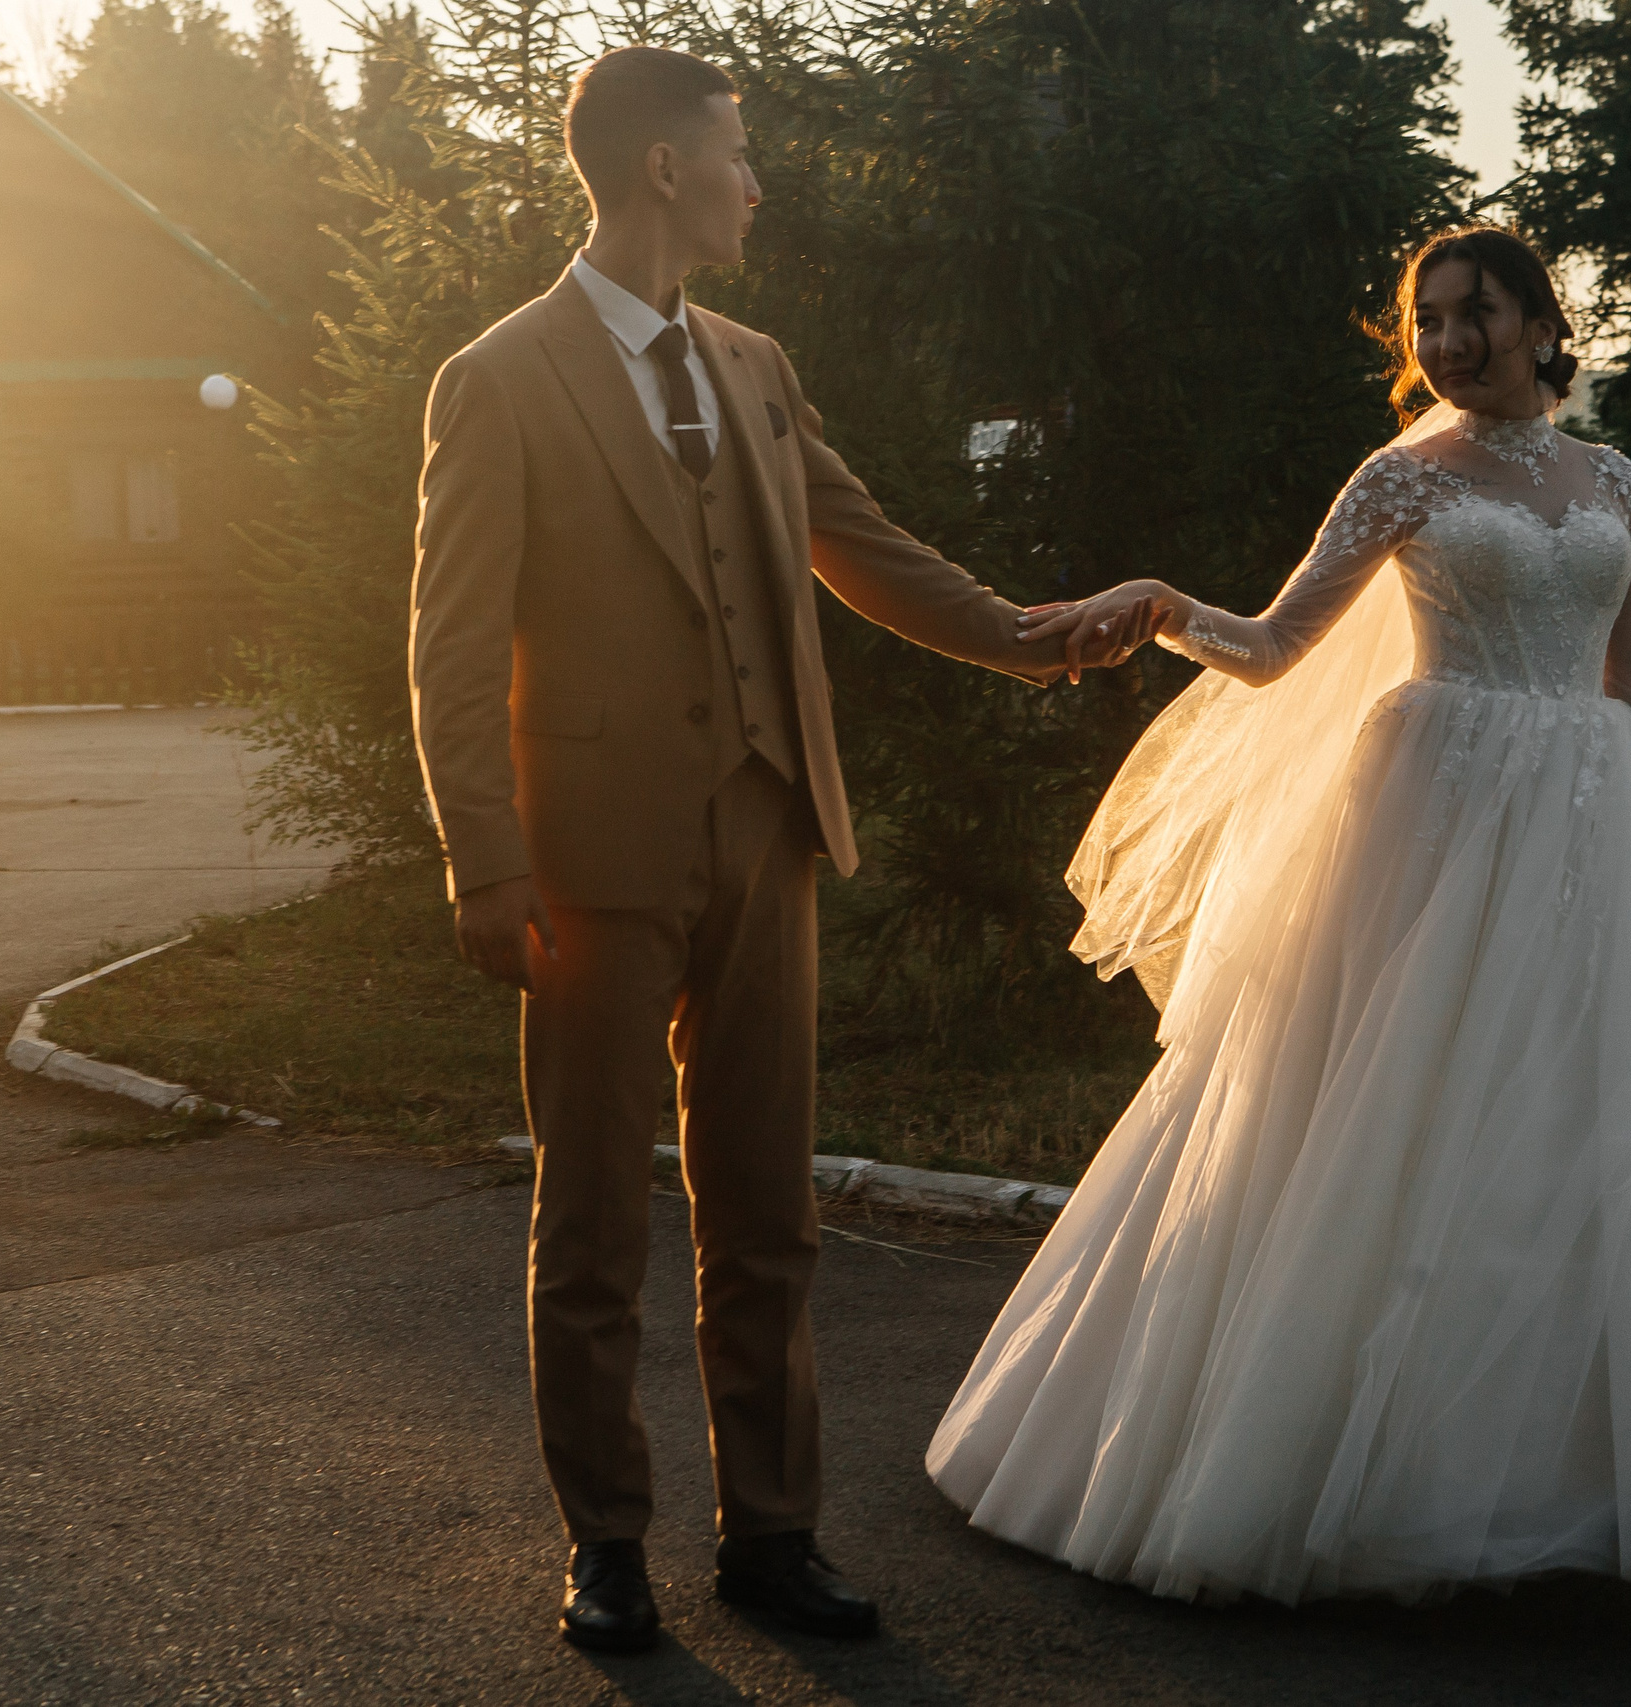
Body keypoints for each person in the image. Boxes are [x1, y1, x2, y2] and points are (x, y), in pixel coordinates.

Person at [937, 226, 1631, 1601]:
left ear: (1545, 323)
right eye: (1426, 320)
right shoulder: (1398, 478)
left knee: (1590, 1130)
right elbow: (1274, 648)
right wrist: (1169, 605)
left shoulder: (1620, 480)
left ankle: (1584, 1475)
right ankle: (1347, 1469)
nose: (1447, 342)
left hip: (1598, 818)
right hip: (1435, 821)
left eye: (1475, 313)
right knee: (1392, 1123)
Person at [408, 45, 1130, 1654]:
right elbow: (450, 652)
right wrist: (486, 859)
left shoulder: (753, 362)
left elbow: (860, 547)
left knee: (766, 1208)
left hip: (767, 825)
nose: (757, 180)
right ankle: (606, 1544)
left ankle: (773, 1535)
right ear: (664, 168)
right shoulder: (503, 377)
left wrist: (1034, 640)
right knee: (592, 1214)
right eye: (738, 152)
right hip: (588, 857)